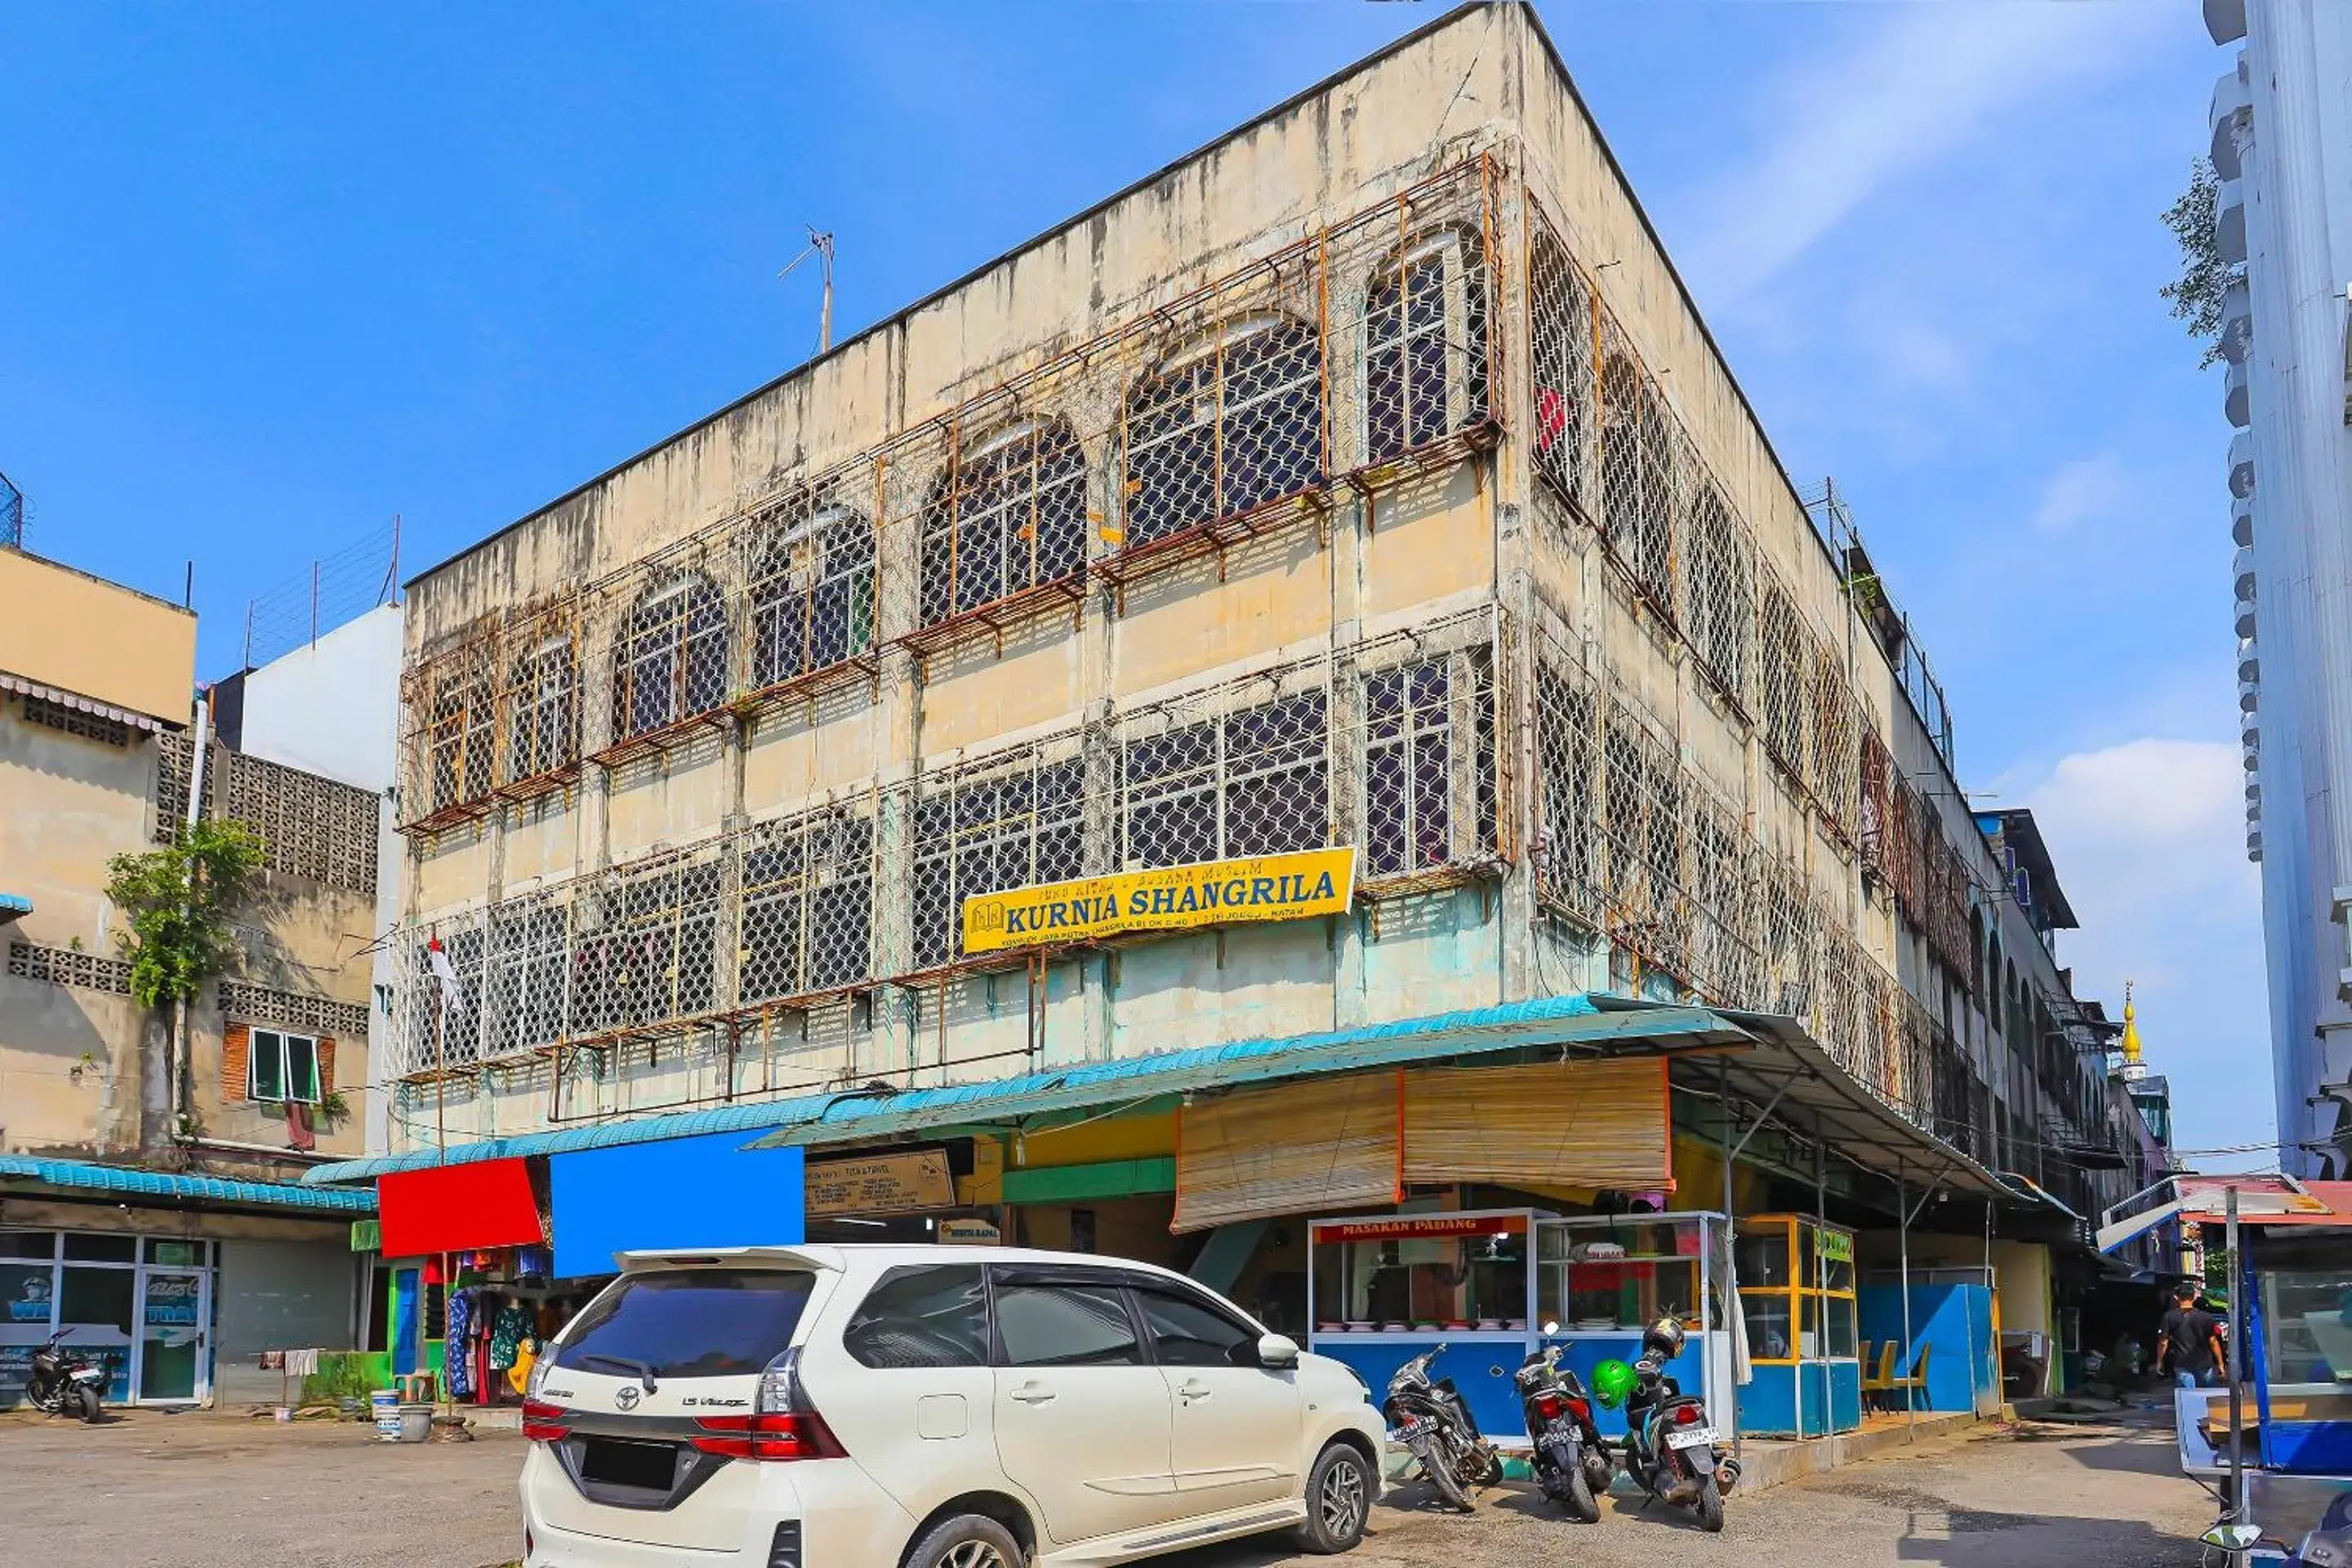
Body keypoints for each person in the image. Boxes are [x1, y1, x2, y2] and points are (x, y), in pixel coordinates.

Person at [2157, 1281, 2226, 1390]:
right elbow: (2213, 1342)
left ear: (2176, 1297)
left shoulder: (2169, 1317)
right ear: (2194, 1297)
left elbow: (2163, 1342)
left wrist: (2159, 1361)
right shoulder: (2206, 1317)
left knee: (2188, 1398)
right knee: (2209, 1398)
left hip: (2182, 1363)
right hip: (2205, 1363)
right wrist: (2220, 1364)